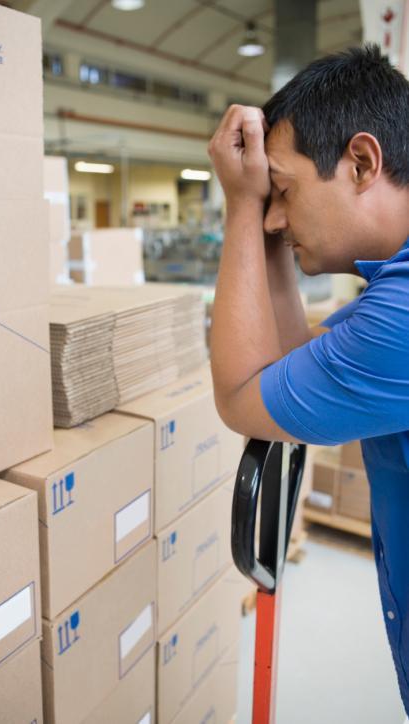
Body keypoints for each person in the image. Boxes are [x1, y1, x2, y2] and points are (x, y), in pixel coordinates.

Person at [208, 44, 409, 716]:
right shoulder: (388, 300)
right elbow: (290, 368)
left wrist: (241, 208)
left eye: (284, 191)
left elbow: (243, 395)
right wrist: (271, 225)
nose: (273, 214)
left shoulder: (403, 320)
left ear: (361, 162)